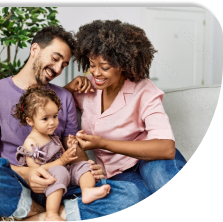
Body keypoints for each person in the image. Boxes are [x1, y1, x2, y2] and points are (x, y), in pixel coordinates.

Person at [0, 24, 145, 222]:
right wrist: (29, 173)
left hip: (61, 181)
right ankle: (48, 214)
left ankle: (30, 218)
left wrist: (89, 168)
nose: (58, 69)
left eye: (64, 65)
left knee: (131, 194)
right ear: (35, 50)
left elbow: (72, 149)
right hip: (17, 184)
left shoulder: (64, 97)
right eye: (56, 58)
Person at [64, 20, 188, 198]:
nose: (96, 73)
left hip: (151, 160)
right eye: (92, 64)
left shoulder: (143, 90)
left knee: (163, 180)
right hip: (118, 172)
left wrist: (103, 143)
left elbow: (166, 148)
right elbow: (49, 106)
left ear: (121, 64)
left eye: (104, 67)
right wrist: (68, 88)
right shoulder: (86, 89)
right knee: (136, 197)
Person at [13, 86, 110, 222]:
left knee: (83, 165)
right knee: (59, 170)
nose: (52, 122)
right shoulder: (30, 142)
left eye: (55, 116)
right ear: (30, 121)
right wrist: (62, 161)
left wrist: (71, 148)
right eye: (45, 119)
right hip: (46, 186)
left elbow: (64, 158)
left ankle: (87, 190)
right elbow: (35, 170)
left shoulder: (53, 136)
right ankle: (51, 214)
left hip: (63, 176)